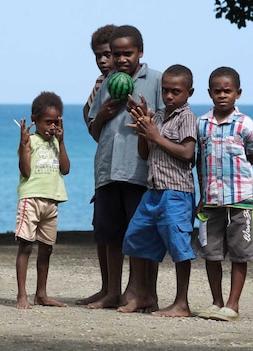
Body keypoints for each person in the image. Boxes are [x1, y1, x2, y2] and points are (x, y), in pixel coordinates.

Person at [85, 24, 163, 309]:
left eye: (127, 53)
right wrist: (103, 115)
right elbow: (95, 131)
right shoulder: (107, 83)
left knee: (142, 233)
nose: (121, 60)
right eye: (116, 54)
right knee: (110, 233)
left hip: (139, 171)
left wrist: (145, 118)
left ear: (140, 52)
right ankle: (112, 292)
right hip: (107, 170)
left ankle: (144, 293)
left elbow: (164, 128)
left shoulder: (156, 80)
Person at [121, 64, 197, 317]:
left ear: (189, 92)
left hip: (176, 193)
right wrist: (145, 130)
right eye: (165, 90)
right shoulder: (159, 116)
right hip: (153, 190)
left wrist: (156, 136)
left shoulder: (187, 117)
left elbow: (187, 154)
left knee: (179, 247)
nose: (169, 96)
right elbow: (145, 154)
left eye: (176, 91)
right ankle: (144, 295)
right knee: (136, 238)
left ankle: (182, 303)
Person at [195, 66, 253, 321]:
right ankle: (216, 301)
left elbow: (252, 155)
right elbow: (200, 161)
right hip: (211, 200)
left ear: (238, 93)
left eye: (228, 91)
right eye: (217, 91)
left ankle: (233, 305)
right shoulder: (202, 124)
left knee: (240, 252)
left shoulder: (246, 124)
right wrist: (202, 196)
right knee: (210, 252)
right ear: (209, 93)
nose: (222, 96)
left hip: (241, 200)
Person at [15, 91, 71, 309]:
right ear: (34, 120)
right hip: (31, 199)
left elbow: (65, 169)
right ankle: (22, 295)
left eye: (56, 122)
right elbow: (26, 171)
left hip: (52, 201)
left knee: (46, 248)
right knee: (26, 247)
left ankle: (41, 294)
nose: (52, 127)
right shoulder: (31, 141)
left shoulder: (56, 142)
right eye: (48, 122)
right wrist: (25, 147)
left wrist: (62, 141)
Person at [77, 24, 116, 306]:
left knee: (130, 234)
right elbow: (91, 123)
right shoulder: (99, 85)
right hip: (105, 167)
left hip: (132, 168)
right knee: (103, 231)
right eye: (98, 56)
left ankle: (127, 289)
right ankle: (106, 287)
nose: (102, 61)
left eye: (107, 54)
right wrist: (100, 115)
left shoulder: (132, 81)